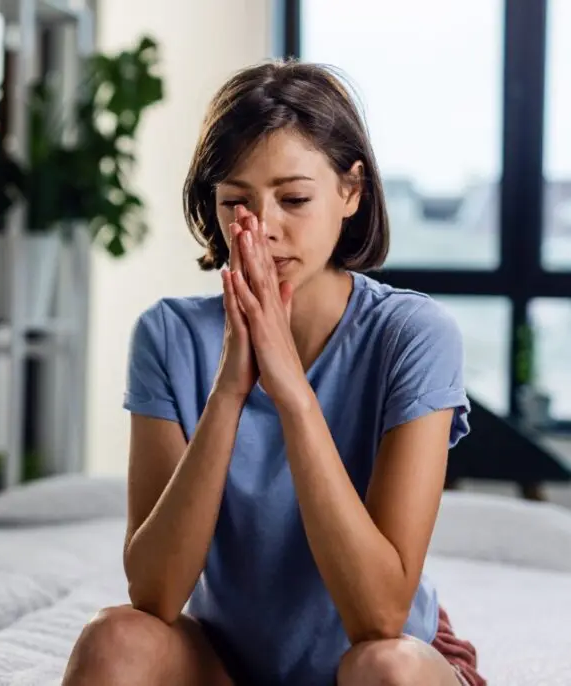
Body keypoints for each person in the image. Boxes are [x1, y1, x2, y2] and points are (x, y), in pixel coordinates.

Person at [61, 59, 486, 686]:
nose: (262, 230)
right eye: (237, 202)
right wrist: (230, 388)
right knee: (114, 638)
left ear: (351, 190)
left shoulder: (413, 336)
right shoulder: (169, 336)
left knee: (385, 666)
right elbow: (154, 593)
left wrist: (291, 390)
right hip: (228, 667)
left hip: (377, 661)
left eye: (294, 198)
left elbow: (379, 615)